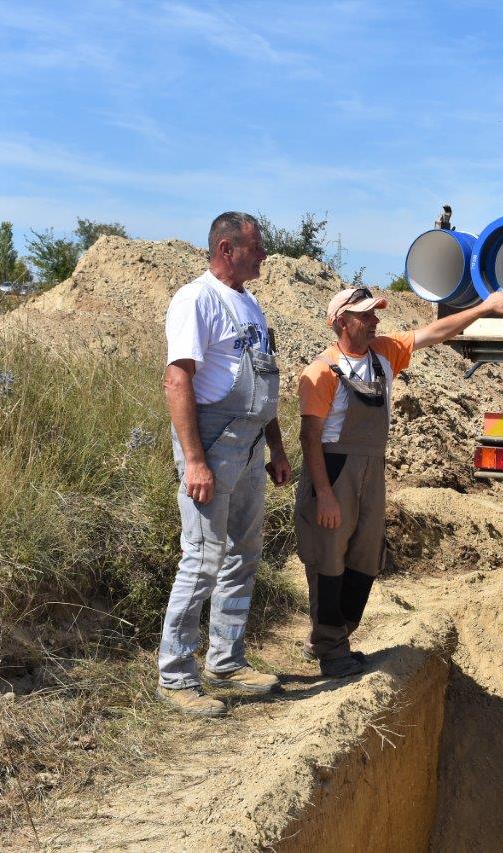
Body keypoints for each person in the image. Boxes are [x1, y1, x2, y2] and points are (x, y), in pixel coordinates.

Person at [296, 286, 503, 677]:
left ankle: (332, 636)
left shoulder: (384, 353)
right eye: (366, 316)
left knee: (365, 558)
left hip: (372, 469)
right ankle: (331, 650)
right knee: (328, 558)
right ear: (341, 322)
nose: (375, 320)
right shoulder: (321, 371)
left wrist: (483, 307)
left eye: (374, 314)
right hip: (333, 470)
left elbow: (437, 331)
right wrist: (324, 495)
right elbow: (310, 438)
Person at [156, 212, 293, 718]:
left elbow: (266, 382)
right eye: (255, 247)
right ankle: (175, 675)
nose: (263, 256)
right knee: (202, 557)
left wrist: (276, 447)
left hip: (251, 444)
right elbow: (178, 381)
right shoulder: (196, 299)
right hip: (213, 444)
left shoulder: (252, 306)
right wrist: (195, 460)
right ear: (225, 247)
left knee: (244, 553)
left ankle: (227, 660)